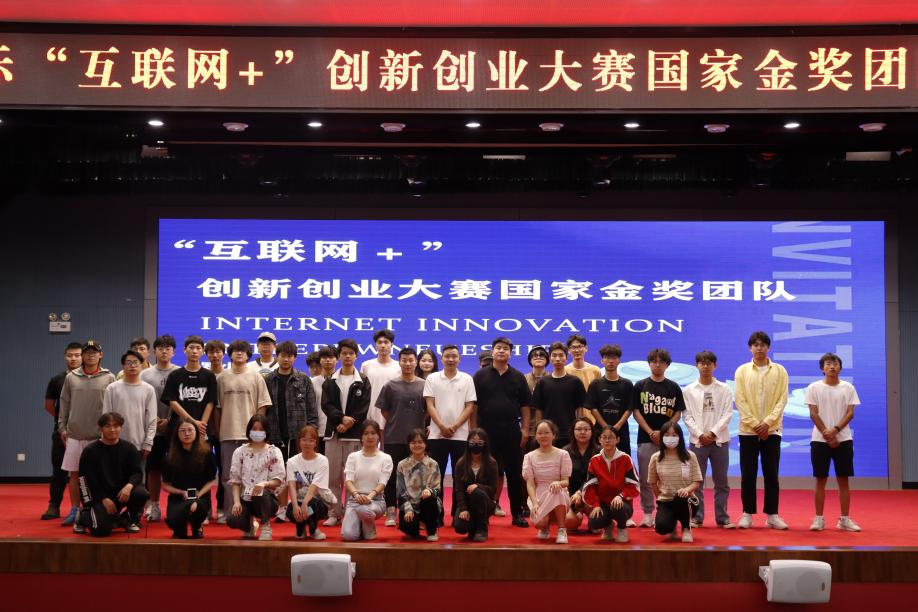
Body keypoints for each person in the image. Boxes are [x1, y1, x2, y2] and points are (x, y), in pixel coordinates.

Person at [473, 336, 532, 527]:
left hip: (511, 430)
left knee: (514, 473)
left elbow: (525, 406)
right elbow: (473, 406)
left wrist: (525, 430)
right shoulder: (480, 376)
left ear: (510, 353)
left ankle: (517, 513)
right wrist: (473, 430)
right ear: (492, 351)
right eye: (498, 348)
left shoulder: (518, 376)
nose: (501, 351)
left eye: (505, 349)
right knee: (485, 473)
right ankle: (483, 513)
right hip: (485, 431)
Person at [734, 331, 789, 530]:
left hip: (772, 431)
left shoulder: (780, 371)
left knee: (771, 473)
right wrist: (755, 424)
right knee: (748, 473)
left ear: (768, 347)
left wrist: (767, 423)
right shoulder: (742, 371)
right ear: (750, 348)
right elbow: (740, 400)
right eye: (755, 345)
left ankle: (772, 515)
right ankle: (747, 513)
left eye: (763, 345)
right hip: (748, 431)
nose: (759, 348)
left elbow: (782, 399)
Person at [59, 340, 116, 530]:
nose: (91, 355)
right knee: (75, 475)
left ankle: (96, 508)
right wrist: (62, 427)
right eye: (87, 352)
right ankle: (75, 509)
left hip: (98, 437)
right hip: (75, 434)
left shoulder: (109, 377)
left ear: (101, 355)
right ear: (82, 355)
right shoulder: (71, 377)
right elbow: (64, 404)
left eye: (94, 352)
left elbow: (113, 407)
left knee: (98, 475)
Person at [217, 339, 273, 519]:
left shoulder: (256, 376)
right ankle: (231, 513)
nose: (239, 353)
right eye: (236, 350)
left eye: (243, 351)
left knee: (253, 476)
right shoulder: (222, 377)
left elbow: (262, 405)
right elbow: (217, 408)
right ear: (230, 354)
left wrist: (259, 432)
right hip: (228, 433)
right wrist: (218, 430)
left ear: (248, 354)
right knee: (228, 477)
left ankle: (251, 513)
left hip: (251, 436)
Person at [805, 353, 861, 532]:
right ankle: (818, 519)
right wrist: (827, 434)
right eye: (828, 364)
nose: (832, 367)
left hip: (843, 439)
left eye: (835, 364)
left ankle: (844, 519)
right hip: (819, 439)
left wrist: (835, 430)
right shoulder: (814, 387)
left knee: (843, 479)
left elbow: (850, 413)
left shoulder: (848, 388)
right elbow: (813, 413)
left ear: (840, 368)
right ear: (822, 368)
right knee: (820, 479)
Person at [264, 340, 317, 522]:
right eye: (282, 356)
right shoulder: (268, 380)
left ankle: (301, 506)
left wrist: (311, 433)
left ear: (294, 358)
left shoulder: (303, 379)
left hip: (299, 436)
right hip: (276, 434)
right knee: (279, 473)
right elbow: (264, 408)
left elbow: (312, 409)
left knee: (299, 473)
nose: (286, 359)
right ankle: (281, 508)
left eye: (290, 356)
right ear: (277, 356)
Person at [632, 348, 685, 528]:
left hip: (669, 440)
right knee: (647, 478)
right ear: (649, 364)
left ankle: (667, 510)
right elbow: (636, 412)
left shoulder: (673, 387)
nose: (657, 365)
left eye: (661, 362)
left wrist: (664, 433)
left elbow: (678, 412)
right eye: (654, 361)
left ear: (667, 365)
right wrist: (650, 432)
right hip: (646, 438)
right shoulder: (640, 386)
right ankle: (647, 513)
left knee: (669, 476)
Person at [682, 350, 735, 529]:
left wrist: (712, 433)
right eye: (702, 363)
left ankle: (722, 517)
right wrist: (700, 434)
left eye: (709, 363)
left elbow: (727, 414)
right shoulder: (688, 390)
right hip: (697, 443)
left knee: (722, 482)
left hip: (720, 442)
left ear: (715, 366)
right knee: (696, 482)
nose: (705, 366)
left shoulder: (724, 389)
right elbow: (687, 416)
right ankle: (697, 517)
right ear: (696, 365)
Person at [322, 338, 371, 526]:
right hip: (333, 434)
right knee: (333, 477)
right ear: (339, 356)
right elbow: (326, 405)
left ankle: (352, 512)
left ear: (356, 356)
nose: (348, 356)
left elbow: (363, 408)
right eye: (344, 353)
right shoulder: (330, 381)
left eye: (351, 353)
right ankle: (334, 513)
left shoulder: (363, 381)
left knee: (353, 477)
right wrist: (340, 420)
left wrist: (349, 423)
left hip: (354, 435)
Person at [424, 344, 476, 522]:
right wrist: (441, 426)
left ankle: (457, 513)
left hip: (460, 436)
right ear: (441, 358)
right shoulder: (432, 378)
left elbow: (470, 406)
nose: (451, 359)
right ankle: (436, 514)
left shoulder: (467, 379)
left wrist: (454, 426)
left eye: (454, 356)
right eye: (447, 356)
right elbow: (430, 405)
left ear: (459, 358)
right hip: (436, 435)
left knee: (459, 476)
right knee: (435, 476)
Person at [75, 412, 149, 536]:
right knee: (102, 531)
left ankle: (127, 519)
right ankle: (83, 517)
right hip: (98, 497)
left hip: (121, 494)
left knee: (141, 493)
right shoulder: (90, 451)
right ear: (101, 428)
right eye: (107, 426)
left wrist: (129, 486)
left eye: (116, 426)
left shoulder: (130, 448)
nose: (112, 429)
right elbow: (84, 482)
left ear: (121, 427)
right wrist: (102, 499)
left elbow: (137, 473)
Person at [377, 347, 427, 527]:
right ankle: (391, 510)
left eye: (411, 360)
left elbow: (428, 409)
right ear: (399, 362)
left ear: (416, 362)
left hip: (417, 441)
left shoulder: (424, 384)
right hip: (394, 437)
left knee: (417, 476)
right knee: (392, 476)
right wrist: (396, 421)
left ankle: (417, 511)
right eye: (404, 360)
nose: (407, 363)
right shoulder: (390, 385)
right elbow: (384, 410)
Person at [40, 341, 82, 521]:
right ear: (65, 357)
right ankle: (54, 506)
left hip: (84, 432)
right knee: (59, 471)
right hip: (61, 433)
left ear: (82, 357)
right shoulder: (57, 380)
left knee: (85, 472)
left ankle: (86, 508)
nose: (73, 358)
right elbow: (49, 406)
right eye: (70, 355)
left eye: (77, 355)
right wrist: (63, 422)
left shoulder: (90, 378)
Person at [140, 334, 179, 522]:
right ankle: (154, 505)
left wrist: (170, 420)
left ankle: (177, 505)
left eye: (168, 348)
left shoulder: (179, 372)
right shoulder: (145, 374)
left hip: (175, 429)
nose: (164, 351)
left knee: (176, 469)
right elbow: (141, 400)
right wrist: (154, 419)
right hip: (152, 429)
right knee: (153, 469)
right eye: (161, 348)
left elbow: (182, 401)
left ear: (174, 352)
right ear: (154, 352)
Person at [227, 414, 285, 540]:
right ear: (249, 430)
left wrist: (264, 484)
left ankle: (265, 526)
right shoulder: (239, 452)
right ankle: (250, 526)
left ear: (266, 431)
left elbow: (279, 479)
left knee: (260, 493)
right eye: (254, 429)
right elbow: (235, 481)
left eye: (261, 429)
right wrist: (236, 502)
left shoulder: (274, 452)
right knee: (232, 519)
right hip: (246, 498)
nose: (257, 432)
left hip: (267, 500)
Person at [162, 418, 218, 539]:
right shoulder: (169, 457)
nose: (186, 434)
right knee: (176, 526)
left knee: (194, 506)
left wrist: (199, 494)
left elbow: (212, 479)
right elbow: (165, 484)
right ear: (177, 434)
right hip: (178, 497)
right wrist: (181, 492)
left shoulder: (207, 454)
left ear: (196, 432)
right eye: (182, 431)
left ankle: (197, 526)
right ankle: (179, 527)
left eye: (190, 430)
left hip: (200, 497)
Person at [648, 421, 703, 543]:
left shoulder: (690, 456)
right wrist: (660, 498)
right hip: (666, 501)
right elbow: (653, 482)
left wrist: (687, 490)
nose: (670, 438)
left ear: (680, 437)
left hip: (687, 500)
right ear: (662, 437)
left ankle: (686, 528)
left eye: (674, 435)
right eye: (667, 435)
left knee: (680, 496)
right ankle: (671, 524)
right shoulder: (655, 457)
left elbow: (697, 481)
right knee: (662, 527)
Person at [583, 425, 639, 542]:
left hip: (622, 503)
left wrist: (621, 496)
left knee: (617, 506)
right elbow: (591, 486)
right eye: (604, 437)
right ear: (599, 440)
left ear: (617, 440)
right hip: (603, 503)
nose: (607, 440)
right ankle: (608, 526)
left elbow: (633, 485)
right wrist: (596, 505)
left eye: (611, 437)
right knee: (594, 522)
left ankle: (622, 528)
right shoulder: (594, 460)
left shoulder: (626, 458)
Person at [342, 420, 393, 541]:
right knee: (349, 536)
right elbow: (348, 481)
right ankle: (360, 525)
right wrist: (356, 495)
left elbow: (383, 483)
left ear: (378, 436)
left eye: (373, 433)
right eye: (366, 433)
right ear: (361, 437)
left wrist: (369, 497)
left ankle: (369, 527)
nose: (370, 436)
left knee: (364, 510)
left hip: (376, 500)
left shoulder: (386, 458)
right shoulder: (353, 457)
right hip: (355, 499)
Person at [523, 420, 573, 543]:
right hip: (539, 494)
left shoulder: (563, 454)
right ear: (535, 436)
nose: (543, 436)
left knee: (557, 490)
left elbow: (566, 481)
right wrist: (534, 503)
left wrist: (558, 483)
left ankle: (562, 530)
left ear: (553, 435)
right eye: (540, 433)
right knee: (539, 522)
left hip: (558, 493)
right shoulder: (529, 456)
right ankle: (545, 527)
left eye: (546, 433)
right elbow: (530, 483)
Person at [102, 350, 157, 454]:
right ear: (123, 366)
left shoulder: (148, 389)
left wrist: (148, 442)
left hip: (139, 444)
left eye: (136, 362)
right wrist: (105, 439)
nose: (132, 366)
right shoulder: (112, 388)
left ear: (141, 365)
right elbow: (106, 416)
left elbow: (151, 419)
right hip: (114, 442)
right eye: (128, 363)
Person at [286, 425, 336, 540]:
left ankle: (313, 529)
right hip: (299, 500)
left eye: (311, 440)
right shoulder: (292, 462)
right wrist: (295, 506)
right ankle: (301, 527)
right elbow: (291, 486)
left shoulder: (322, 460)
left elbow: (314, 486)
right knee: (290, 511)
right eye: (304, 440)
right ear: (299, 441)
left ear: (316, 443)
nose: (307, 443)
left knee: (311, 506)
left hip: (317, 501)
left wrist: (304, 503)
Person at [532, 342, 585, 448]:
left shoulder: (575, 382)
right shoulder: (542, 382)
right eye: (554, 355)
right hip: (548, 434)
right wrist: (540, 431)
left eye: (561, 355)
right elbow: (538, 410)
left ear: (566, 358)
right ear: (550, 358)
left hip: (569, 433)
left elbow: (580, 409)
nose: (557, 359)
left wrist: (578, 430)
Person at [586, 344, 633, 457]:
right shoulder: (595, 384)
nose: (610, 361)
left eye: (614, 358)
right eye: (607, 358)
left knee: (623, 461)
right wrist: (605, 427)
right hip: (600, 431)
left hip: (621, 431)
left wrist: (618, 426)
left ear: (619, 361)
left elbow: (630, 408)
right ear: (602, 361)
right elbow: (593, 408)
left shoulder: (627, 384)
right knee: (599, 461)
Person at [452, 428, 499, 541]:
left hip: (486, 503)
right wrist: (463, 509)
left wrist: (478, 486)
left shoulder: (492, 463)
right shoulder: (461, 463)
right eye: (472, 442)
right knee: (460, 527)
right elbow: (458, 489)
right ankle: (473, 526)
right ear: (468, 443)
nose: (476, 445)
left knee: (476, 492)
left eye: (480, 443)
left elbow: (493, 489)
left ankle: (482, 528)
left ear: (485, 444)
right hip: (467, 503)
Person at [396, 428, 442, 541]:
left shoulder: (433, 464)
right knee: (409, 528)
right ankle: (417, 523)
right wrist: (408, 508)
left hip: (428, 504)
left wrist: (430, 491)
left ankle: (431, 530)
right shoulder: (402, 465)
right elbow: (400, 491)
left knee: (429, 499)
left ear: (425, 444)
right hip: (411, 505)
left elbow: (437, 489)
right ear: (409, 445)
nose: (417, 445)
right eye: (413, 442)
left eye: (420, 442)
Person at [360, 328, 400, 430]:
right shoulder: (366, 365)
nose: (383, 345)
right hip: (369, 415)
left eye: (386, 342)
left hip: (391, 415)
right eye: (380, 342)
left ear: (392, 345)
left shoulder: (399, 367)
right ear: (375, 345)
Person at [563, 417, 599, 530]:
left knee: (597, 524)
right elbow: (563, 477)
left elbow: (596, 478)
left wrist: (580, 493)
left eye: (586, 429)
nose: (582, 432)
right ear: (573, 431)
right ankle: (576, 513)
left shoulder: (600, 451)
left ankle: (593, 515)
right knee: (570, 523)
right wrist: (571, 497)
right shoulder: (565, 451)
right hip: (571, 495)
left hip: (593, 493)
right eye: (578, 429)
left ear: (592, 432)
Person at [204, 338, 226, 522]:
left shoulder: (227, 375)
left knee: (223, 469)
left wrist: (219, 428)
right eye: (211, 352)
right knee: (205, 469)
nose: (215, 355)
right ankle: (204, 508)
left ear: (223, 354)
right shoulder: (203, 375)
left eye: (218, 351)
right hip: (203, 429)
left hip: (224, 430)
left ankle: (221, 507)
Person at [311, 344, 339, 454]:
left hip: (337, 430)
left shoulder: (341, 380)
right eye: (324, 357)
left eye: (331, 357)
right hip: (318, 431)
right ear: (320, 360)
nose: (328, 360)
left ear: (337, 359)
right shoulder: (312, 382)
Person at [523, 346, 549, 452]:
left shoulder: (553, 378)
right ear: (530, 360)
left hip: (550, 428)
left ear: (547, 360)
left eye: (542, 355)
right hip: (529, 429)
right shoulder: (523, 379)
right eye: (535, 355)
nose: (538, 357)